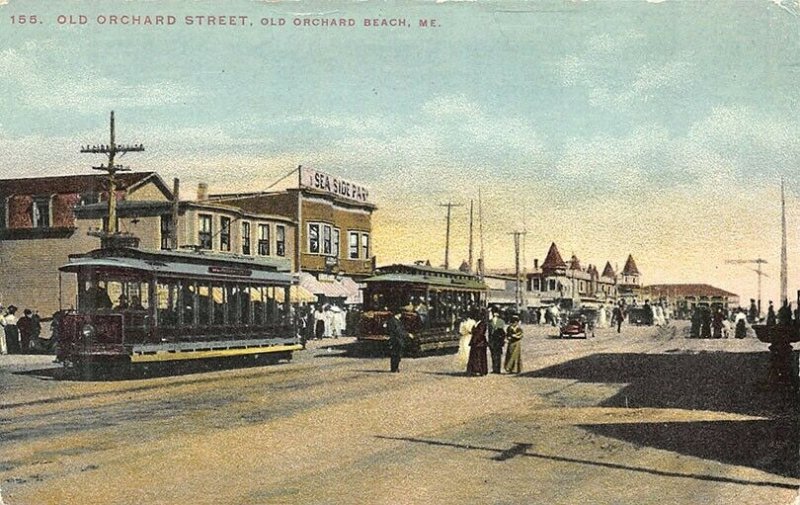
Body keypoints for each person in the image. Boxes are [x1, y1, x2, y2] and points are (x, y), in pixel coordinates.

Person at [387, 307, 412, 373]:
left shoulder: (396, 320)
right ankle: (394, 368)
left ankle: (395, 367)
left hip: (397, 339)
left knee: (397, 354)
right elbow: (398, 331)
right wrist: (407, 335)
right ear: (398, 314)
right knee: (396, 354)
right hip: (396, 340)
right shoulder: (394, 321)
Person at [466, 309, 488, 376]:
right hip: (475, 342)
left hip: (480, 342)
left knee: (479, 357)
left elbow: (480, 333)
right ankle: (474, 370)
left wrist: (475, 337)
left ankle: (481, 370)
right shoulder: (476, 323)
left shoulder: (482, 323)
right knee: (474, 356)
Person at [487, 309, 506, 374]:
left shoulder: (501, 321)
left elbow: (502, 333)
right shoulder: (490, 322)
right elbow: (489, 333)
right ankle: (494, 368)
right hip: (492, 341)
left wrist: (502, 341)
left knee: (498, 355)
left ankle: (498, 369)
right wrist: (489, 341)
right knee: (493, 355)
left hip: (498, 341)